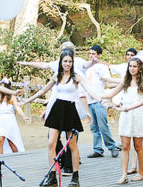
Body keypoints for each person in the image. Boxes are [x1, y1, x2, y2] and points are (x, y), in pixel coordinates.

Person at [19, 50, 96, 186]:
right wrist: (27, 101)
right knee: (51, 143)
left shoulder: (77, 77)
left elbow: (89, 91)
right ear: (61, 62)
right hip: (57, 109)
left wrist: (103, 99)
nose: (67, 64)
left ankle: (75, 177)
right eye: (65, 61)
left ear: (73, 63)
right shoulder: (57, 76)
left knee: (72, 145)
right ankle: (52, 176)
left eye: (70, 61)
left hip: (70, 111)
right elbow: (43, 91)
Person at [99, 56, 143, 184]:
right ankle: (123, 175)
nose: (132, 69)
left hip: (138, 115)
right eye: (130, 66)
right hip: (126, 115)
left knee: (138, 146)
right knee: (125, 146)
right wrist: (95, 94)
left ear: (139, 68)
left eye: (134, 66)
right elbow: (111, 93)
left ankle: (140, 172)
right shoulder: (125, 81)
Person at [85, 45, 120, 159]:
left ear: (99, 55)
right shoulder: (87, 68)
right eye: (89, 54)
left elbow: (108, 83)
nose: (91, 56)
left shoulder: (102, 67)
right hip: (89, 100)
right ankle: (97, 149)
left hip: (100, 99)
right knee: (93, 127)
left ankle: (112, 147)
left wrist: (120, 83)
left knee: (103, 125)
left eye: (93, 54)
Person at [0, 78, 28, 154]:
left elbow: (17, 107)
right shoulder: (0, 98)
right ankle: (0, 160)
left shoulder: (11, 98)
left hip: (10, 121)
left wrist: (23, 115)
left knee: (11, 142)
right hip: (1, 121)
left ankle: (17, 157)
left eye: (3, 87)